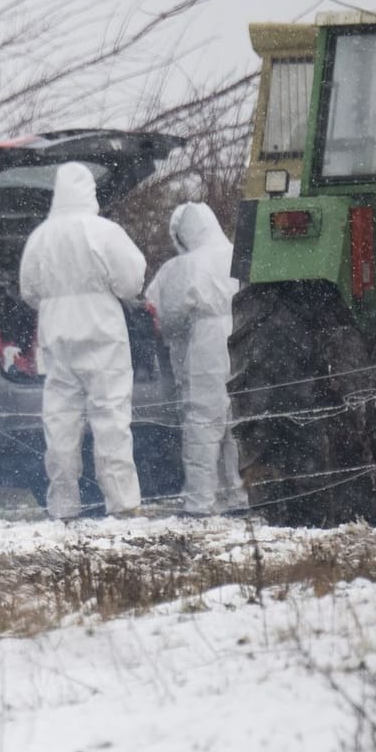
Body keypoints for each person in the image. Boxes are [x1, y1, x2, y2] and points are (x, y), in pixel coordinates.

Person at [18, 162, 147, 519]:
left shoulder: (40, 236)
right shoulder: (104, 231)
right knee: (111, 419)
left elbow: (28, 290)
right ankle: (122, 504)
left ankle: (63, 505)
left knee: (59, 423)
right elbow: (131, 282)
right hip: (103, 334)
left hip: (56, 336)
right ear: (90, 190)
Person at [145, 201, 249, 516]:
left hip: (207, 340)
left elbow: (169, 317)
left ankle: (200, 501)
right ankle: (238, 494)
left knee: (202, 419)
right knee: (236, 420)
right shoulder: (240, 254)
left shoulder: (185, 266)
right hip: (245, 333)